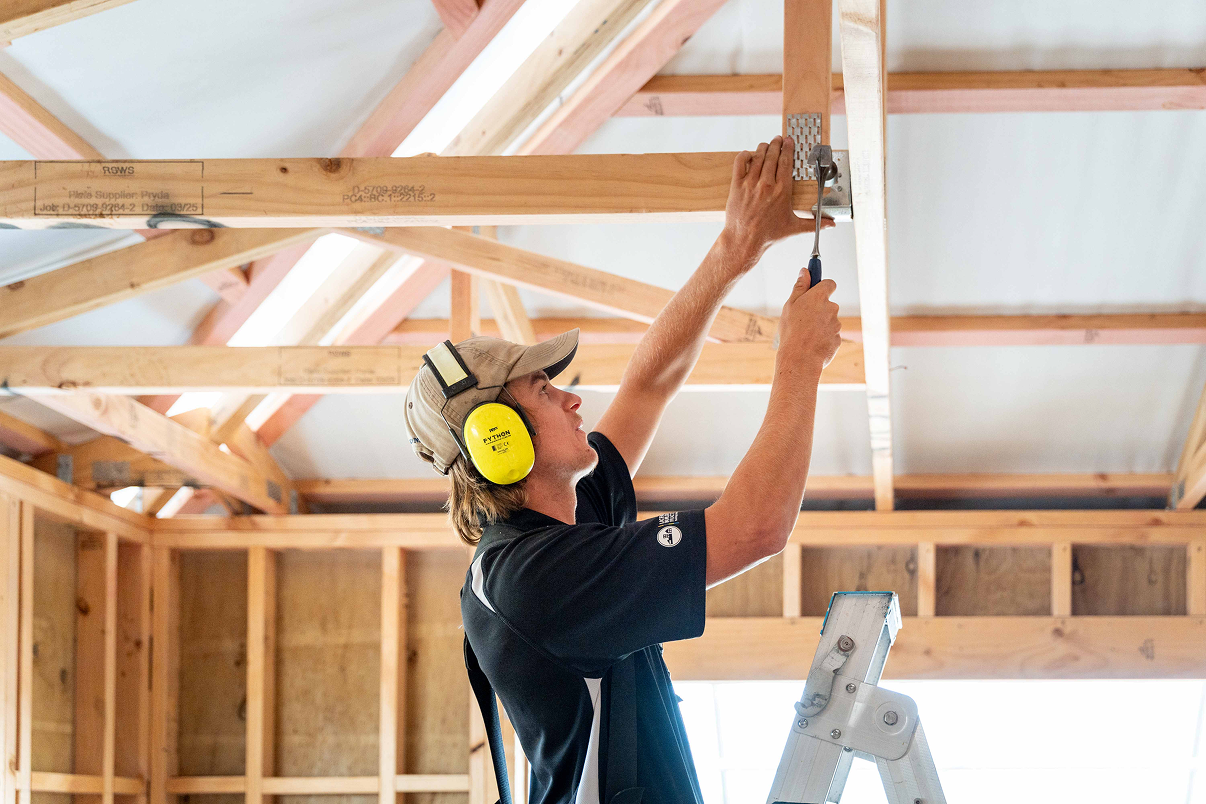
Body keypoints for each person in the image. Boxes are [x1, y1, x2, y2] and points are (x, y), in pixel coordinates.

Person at [403, 136, 842, 804]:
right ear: (498, 439)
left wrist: (736, 248)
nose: (573, 398)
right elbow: (754, 529)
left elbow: (649, 385)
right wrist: (799, 362)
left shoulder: (554, 537)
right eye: (544, 393)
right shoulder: (538, 578)